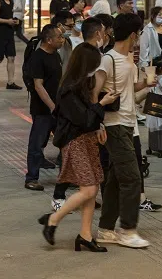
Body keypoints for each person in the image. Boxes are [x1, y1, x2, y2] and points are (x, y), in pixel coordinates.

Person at [40, 43, 116, 251]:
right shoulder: (68, 90)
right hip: (75, 142)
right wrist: (102, 105)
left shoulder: (82, 85)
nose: (96, 70)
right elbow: (83, 119)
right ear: (85, 65)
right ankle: (53, 220)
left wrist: (99, 122)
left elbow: (90, 119)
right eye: (94, 65)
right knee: (89, 188)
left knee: (91, 189)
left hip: (88, 140)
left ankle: (85, 235)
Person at [94, 13, 155, 248]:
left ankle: (106, 229)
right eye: (138, 33)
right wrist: (98, 122)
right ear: (132, 34)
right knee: (132, 177)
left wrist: (146, 84)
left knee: (115, 180)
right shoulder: (107, 59)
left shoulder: (129, 58)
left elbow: (131, 86)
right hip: (113, 123)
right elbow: (94, 92)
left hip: (128, 122)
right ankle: (128, 229)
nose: (138, 38)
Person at [24, 24, 65, 191]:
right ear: (49, 40)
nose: (62, 40)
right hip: (42, 109)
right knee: (37, 143)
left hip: (58, 108)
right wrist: (52, 106)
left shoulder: (55, 55)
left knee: (65, 141)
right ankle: (31, 178)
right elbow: (38, 86)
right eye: (59, 37)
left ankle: (67, 177)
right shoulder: (38, 58)